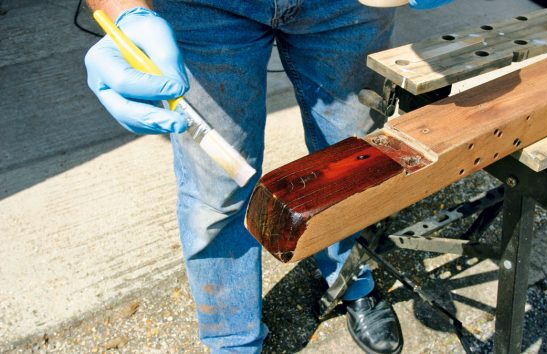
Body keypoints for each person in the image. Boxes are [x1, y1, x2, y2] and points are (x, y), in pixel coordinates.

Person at [84, 0, 452, 352]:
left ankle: (348, 277)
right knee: (217, 187)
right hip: (200, 9)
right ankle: (233, 338)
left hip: (345, 6)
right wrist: (122, 11)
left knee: (351, 161)